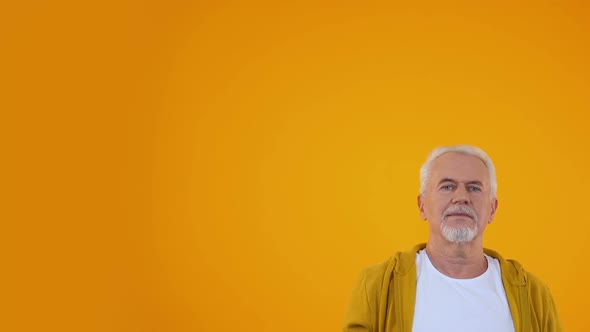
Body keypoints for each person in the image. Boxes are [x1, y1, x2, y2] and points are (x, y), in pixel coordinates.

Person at [342, 145, 562, 332]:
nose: (461, 197)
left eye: (474, 188)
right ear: (422, 206)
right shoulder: (376, 285)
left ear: (492, 209)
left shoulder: (534, 295)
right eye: (447, 186)